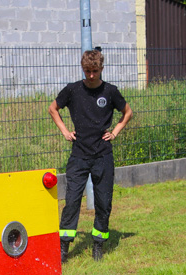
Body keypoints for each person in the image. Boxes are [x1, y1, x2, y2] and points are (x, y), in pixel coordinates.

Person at [49, 49, 133, 262]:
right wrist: (65, 131)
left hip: (103, 155)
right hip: (79, 156)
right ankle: (64, 248)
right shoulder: (73, 90)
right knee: (72, 201)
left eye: (95, 71)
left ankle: (98, 245)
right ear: (82, 68)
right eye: (87, 70)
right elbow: (53, 109)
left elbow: (128, 113)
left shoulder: (110, 91)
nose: (91, 75)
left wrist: (115, 132)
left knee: (104, 201)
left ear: (101, 69)